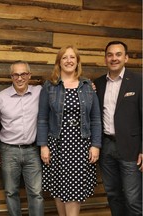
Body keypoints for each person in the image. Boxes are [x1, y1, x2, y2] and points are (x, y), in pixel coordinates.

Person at [37, 45, 102, 216]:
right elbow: (42, 118)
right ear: (59, 62)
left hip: (80, 145)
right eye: (64, 57)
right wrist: (43, 145)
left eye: (72, 57)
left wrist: (96, 145)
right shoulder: (49, 86)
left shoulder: (87, 86)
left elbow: (95, 119)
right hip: (57, 145)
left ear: (77, 61)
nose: (68, 61)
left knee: (74, 190)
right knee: (59, 187)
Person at [94, 41, 142, 216]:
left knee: (133, 198)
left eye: (118, 54)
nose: (114, 58)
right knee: (113, 195)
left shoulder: (138, 81)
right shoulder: (97, 84)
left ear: (126, 57)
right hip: (106, 147)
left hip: (131, 148)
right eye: (110, 55)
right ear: (105, 58)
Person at [0, 60, 44, 216]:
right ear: (11, 76)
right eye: (16, 74)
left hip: (32, 151)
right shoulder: (1, 97)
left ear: (29, 75)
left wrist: (88, 84)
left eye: (23, 74)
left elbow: (62, 85)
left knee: (36, 193)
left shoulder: (39, 92)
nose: (20, 78)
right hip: (8, 150)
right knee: (11, 192)